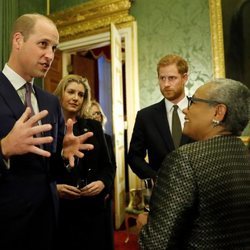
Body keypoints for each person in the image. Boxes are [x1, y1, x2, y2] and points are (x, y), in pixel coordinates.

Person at [0, 13, 93, 250]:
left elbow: (49, 169)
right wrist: (3, 149)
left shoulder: (51, 102)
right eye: (43, 44)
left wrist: (63, 155)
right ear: (18, 40)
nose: (50, 55)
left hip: (48, 223)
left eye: (54, 48)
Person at [138, 78, 250, 249]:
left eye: (193, 102)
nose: (185, 109)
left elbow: (156, 244)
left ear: (218, 112)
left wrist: (144, 226)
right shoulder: (244, 154)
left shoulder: (185, 159)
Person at [53, 75, 115, 250]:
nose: (75, 98)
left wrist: (103, 183)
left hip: (92, 208)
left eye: (80, 95)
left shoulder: (94, 127)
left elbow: (108, 166)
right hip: (62, 210)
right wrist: (54, 188)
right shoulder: (49, 126)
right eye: (71, 92)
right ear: (60, 94)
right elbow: (43, 169)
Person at [127, 54, 194, 180]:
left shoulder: (200, 110)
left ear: (184, 78)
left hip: (201, 192)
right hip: (162, 193)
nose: (166, 84)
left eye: (172, 78)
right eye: (162, 78)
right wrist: (155, 177)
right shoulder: (145, 116)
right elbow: (134, 157)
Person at [89, 100, 117, 250]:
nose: (97, 116)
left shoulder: (106, 137)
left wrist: (106, 189)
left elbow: (111, 166)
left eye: (98, 113)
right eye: (93, 113)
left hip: (104, 193)